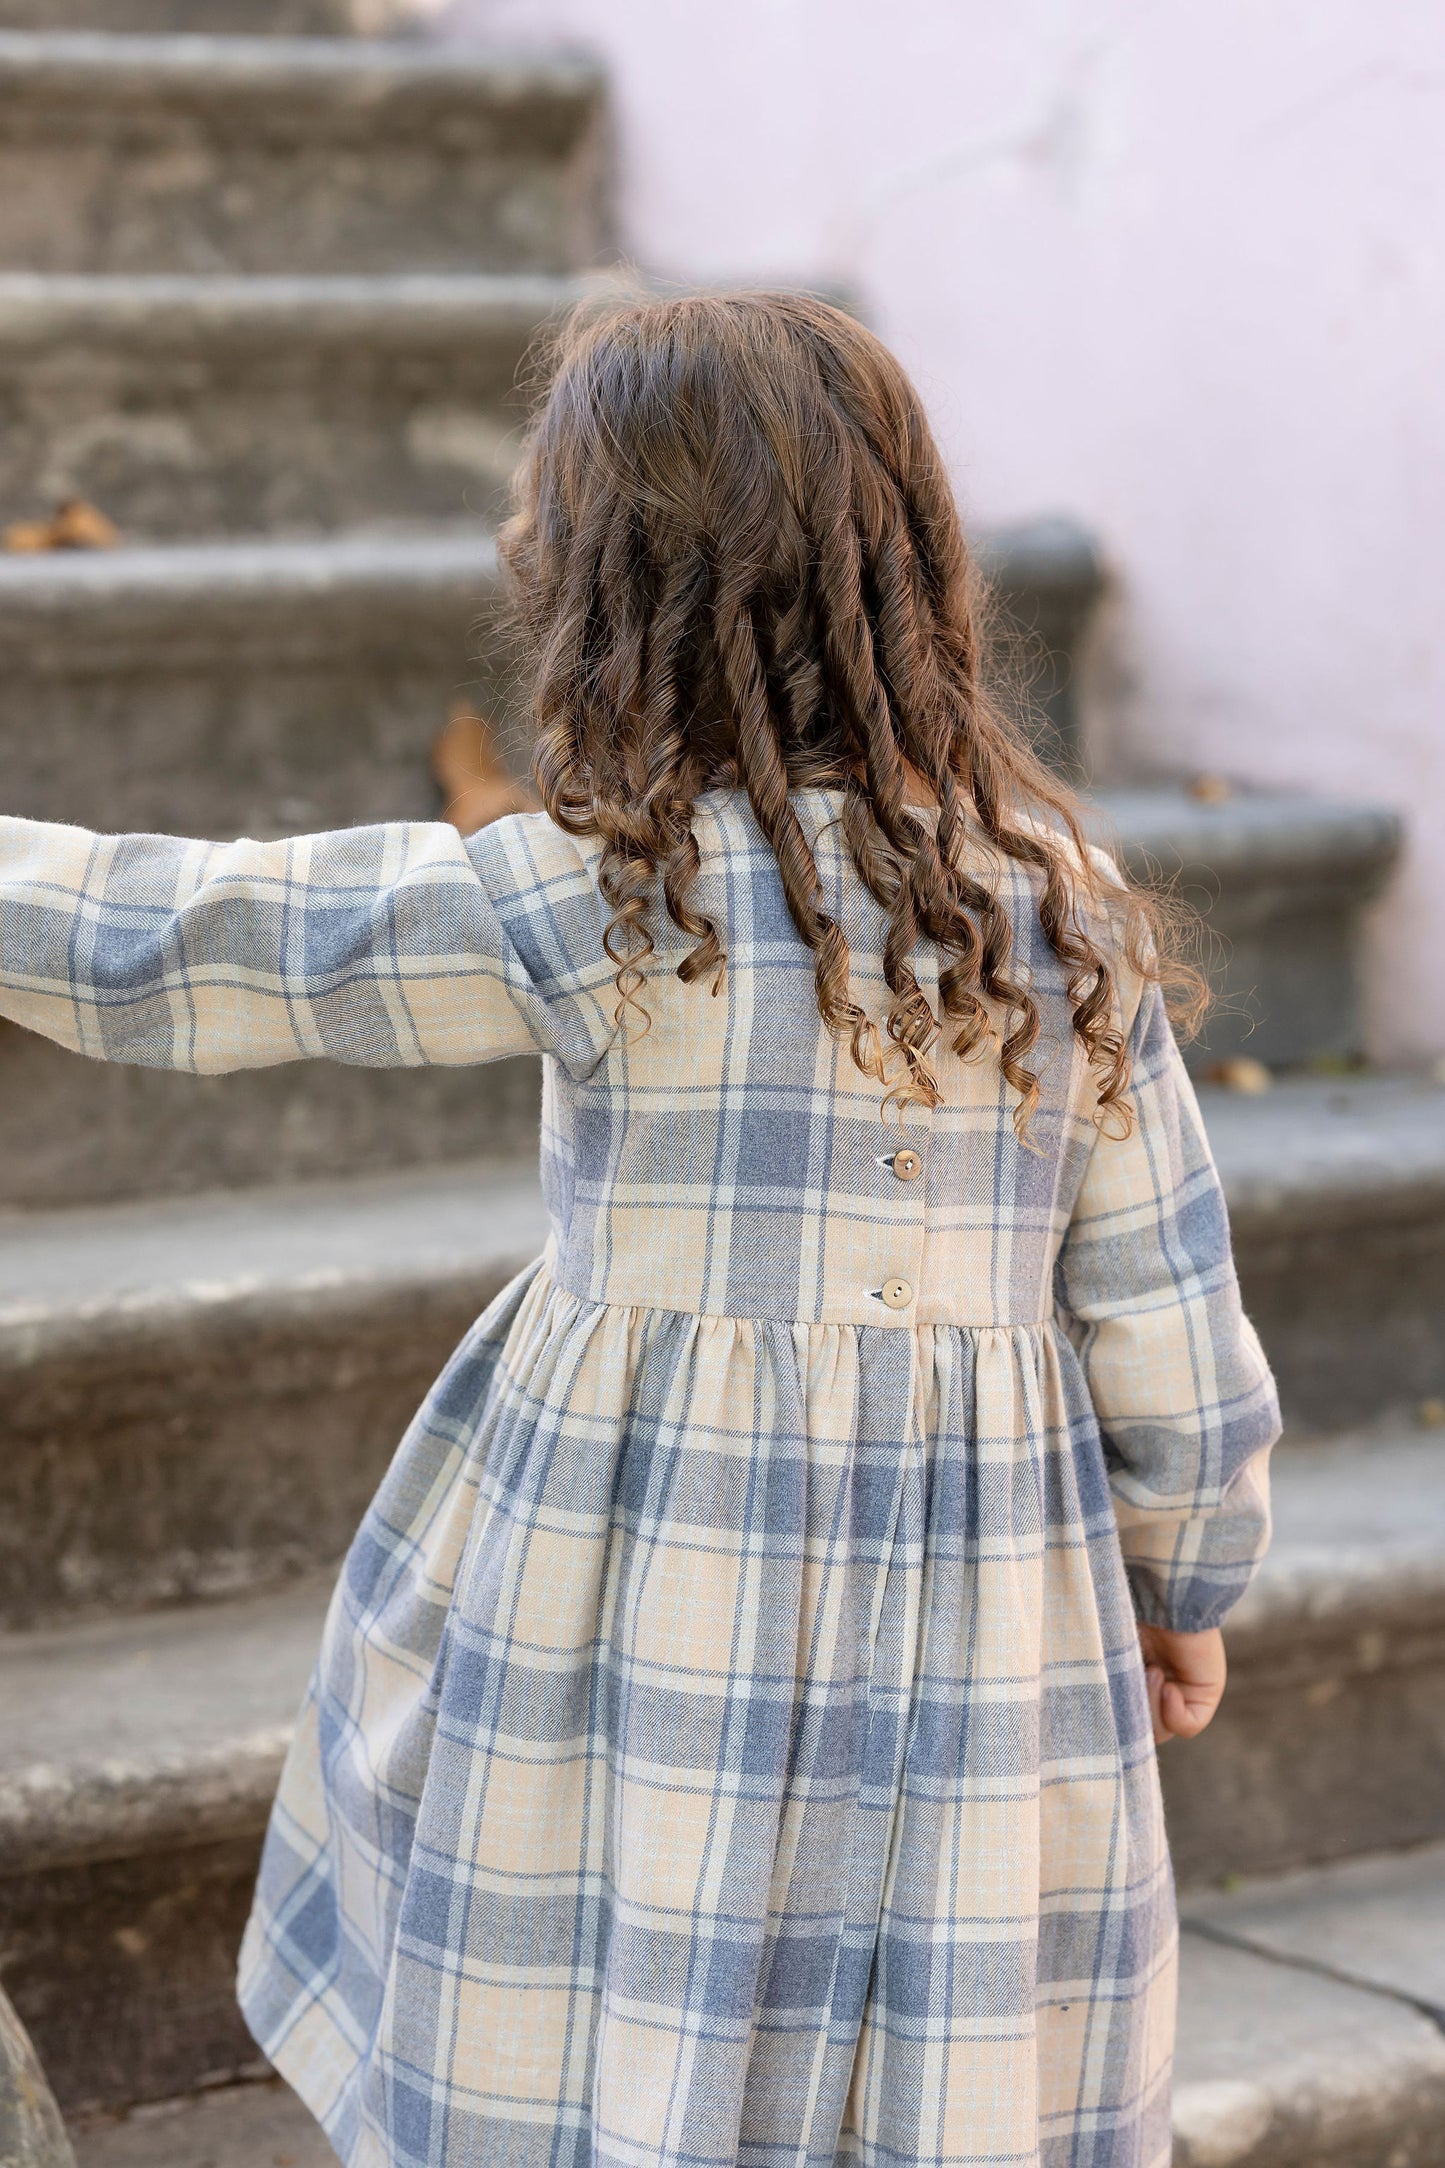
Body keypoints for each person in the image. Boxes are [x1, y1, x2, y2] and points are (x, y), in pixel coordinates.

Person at [0, 293, 1278, 2168]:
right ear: (907, 569)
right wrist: (1185, 1566)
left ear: (603, 593)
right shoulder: (1052, 910)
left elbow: (208, 939)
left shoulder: (609, 898)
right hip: (984, 1587)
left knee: (637, 1946)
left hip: (641, 1553)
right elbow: (1164, 1296)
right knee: (926, 1997)